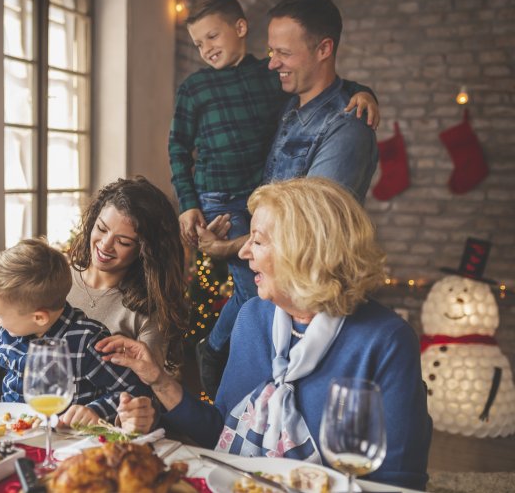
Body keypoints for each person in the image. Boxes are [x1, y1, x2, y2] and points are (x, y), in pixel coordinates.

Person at [98, 178, 432, 490]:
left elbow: (400, 481)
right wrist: (158, 378)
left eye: (256, 241)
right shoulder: (255, 317)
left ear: (302, 252)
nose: (243, 253)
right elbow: (222, 434)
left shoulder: (386, 340)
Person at [191, 0, 381, 396]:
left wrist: (226, 250)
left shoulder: (347, 126)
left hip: (306, 303)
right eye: (270, 51)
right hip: (271, 296)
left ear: (324, 48)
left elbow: (306, 232)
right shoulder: (287, 104)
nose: (273, 63)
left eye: (284, 53)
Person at [0, 238, 151, 426]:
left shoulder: (87, 342)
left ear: (39, 317)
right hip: (11, 431)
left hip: (67, 439)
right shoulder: (8, 332)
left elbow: (131, 392)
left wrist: (95, 410)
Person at [66, 176, 189, 372]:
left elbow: (149, 386)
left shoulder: (148, 310)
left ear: (146, 251)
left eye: (123, 242)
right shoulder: (56, 278)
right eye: (101, 228)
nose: (105, 245)